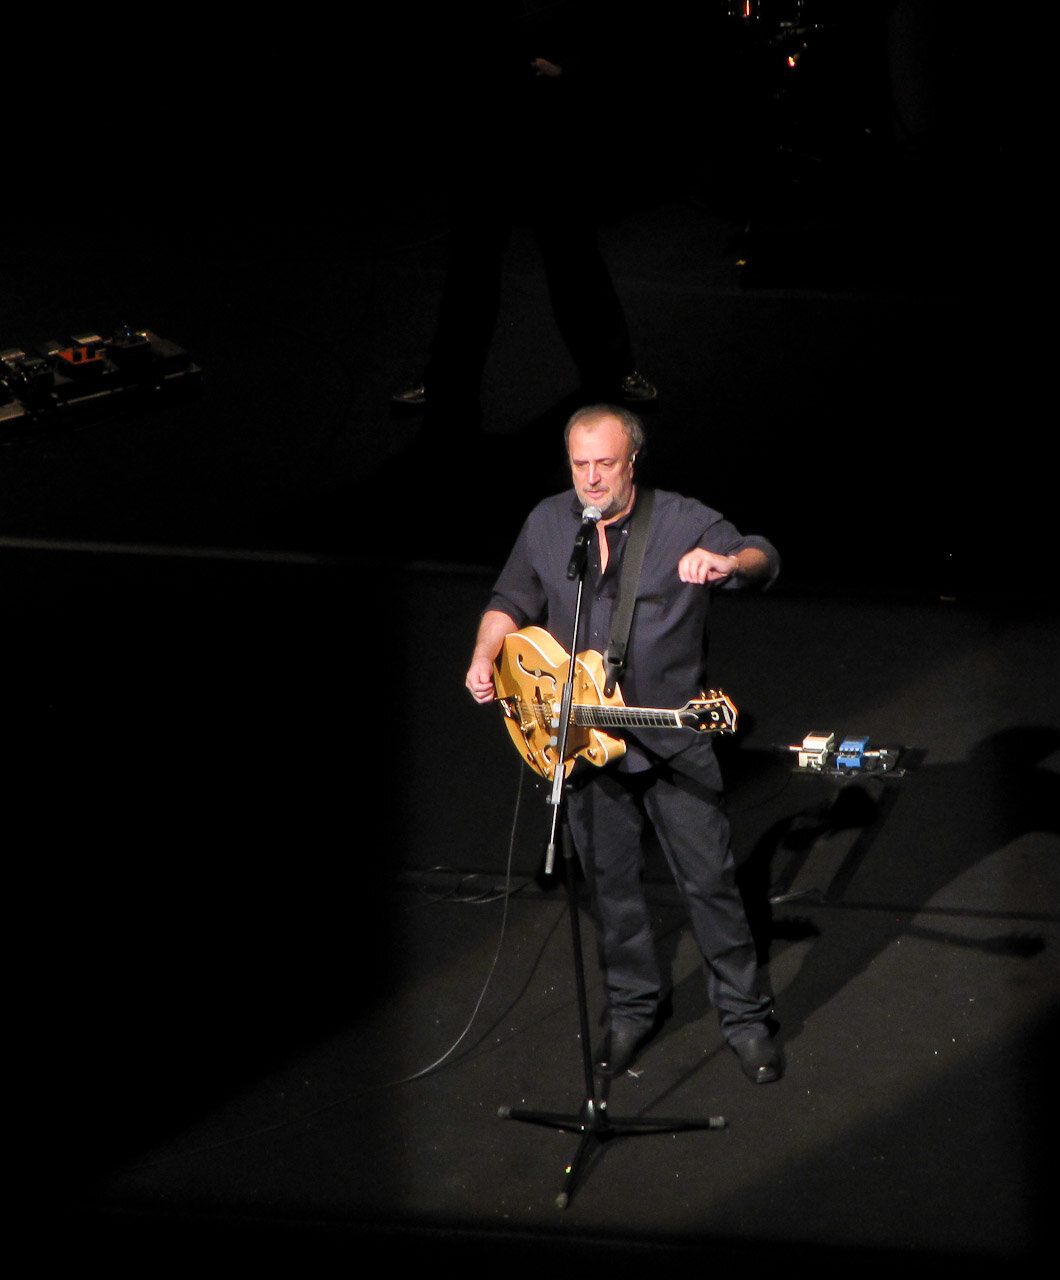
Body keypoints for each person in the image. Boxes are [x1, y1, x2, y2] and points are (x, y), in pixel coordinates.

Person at [464, 404, 784, 1083]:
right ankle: (634, 1010)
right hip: (582, 740)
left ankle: (747, 1018)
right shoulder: (551, 522)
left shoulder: (680, 520)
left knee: (710, 882)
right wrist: (484, 653)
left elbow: (764, 558)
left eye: (604, 464)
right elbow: (510, 595)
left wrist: (726, 562)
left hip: (671, 738)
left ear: (631, 462)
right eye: (580, 465)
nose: (591, 478)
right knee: (610, 888)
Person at [392, 2, 656, 426]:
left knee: (576, 263)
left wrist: (565, 71)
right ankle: (445, 382)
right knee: (470, 271)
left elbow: (606, 40)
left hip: (547, 141)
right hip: (488, 140)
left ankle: (615, 373)